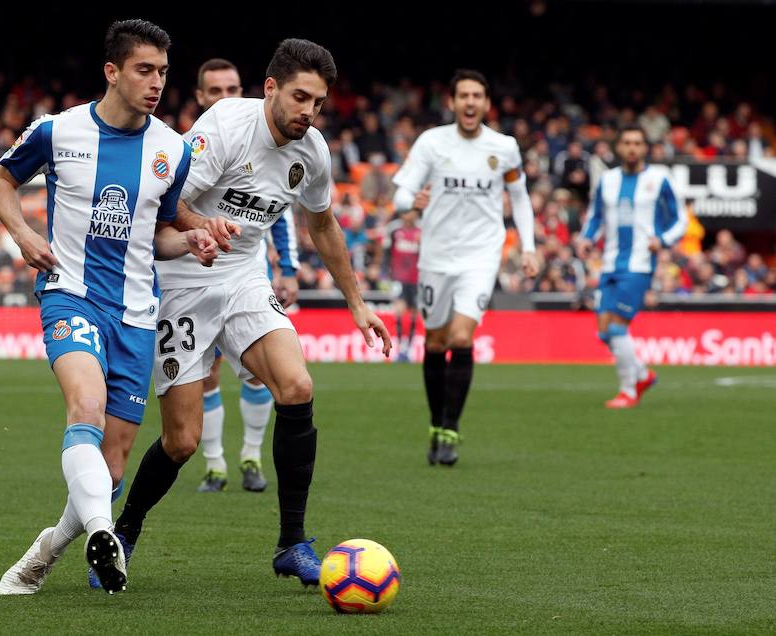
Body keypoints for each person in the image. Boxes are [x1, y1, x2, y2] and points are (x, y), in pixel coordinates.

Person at [109, 38, 391, 589]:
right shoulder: (226, 127)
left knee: (297, 386)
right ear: (271, 89)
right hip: (182, 279)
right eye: (299, 98)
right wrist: (201, 228)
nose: (308, 112)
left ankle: (291, 543)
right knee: (182, 441)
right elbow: (165, 203)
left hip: (242, 277)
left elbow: (323, 224)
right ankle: (126, 529)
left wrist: (357, 303)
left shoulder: (312, 151)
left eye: (318, 103)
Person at [0, 19, 216, 595]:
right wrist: (22, 235)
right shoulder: (57, 131)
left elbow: (157, 232)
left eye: (163, 72)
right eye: (144, 70)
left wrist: (187, 240)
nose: (156, 82)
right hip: (71, 295)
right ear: (112, 72)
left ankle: (45, 551)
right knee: (84, 407)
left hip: (139, 316)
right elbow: (0, 184)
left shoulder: (171, 149)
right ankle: (102, 533)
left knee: (112, 467)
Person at [392, 69, 538, 467]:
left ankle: (451, 429)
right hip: (436, 256)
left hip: (480, 255)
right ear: (452, 102)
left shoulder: (504, 147)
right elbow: (403, 190)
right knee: (435, 343)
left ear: (487, 103)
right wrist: (410, 204)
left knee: (460, 338)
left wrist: (528, 246)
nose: (470, 102)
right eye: (463, 96)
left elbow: (520, 199)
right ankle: (436, 424)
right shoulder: (432, 143)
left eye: (477, 96)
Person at [187, 58, 300, 495]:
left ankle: (251, 456)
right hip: (194, 274)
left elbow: (279, 211)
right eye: (214, 91)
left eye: (232, 88)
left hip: (247, 271)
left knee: (256, 374)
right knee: (207, 376)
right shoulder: (194, 144)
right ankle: (214, 465)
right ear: (200, 97)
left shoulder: (270, 144)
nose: (224, 98)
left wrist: (287, 268)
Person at [577, 124, 687, 408]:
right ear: (619, 147)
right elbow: (595, 216)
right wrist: (587, 238)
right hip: (610, 263)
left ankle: (629, 391)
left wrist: (661, 240)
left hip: (639, 265)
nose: (632, 148)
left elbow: (681, 220)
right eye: (627, 143)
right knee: (603, 332)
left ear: (645, 148)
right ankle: (641, 374)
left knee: (616, 329)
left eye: (637, 143)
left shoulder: (659, 179)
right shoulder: (608, 180)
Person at [380, 207, 421, 362]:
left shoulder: (421, 230)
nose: (408, 215)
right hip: (398, 278)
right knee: (399, 311)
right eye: (405, 211)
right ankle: (398, 347)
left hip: (416, 280)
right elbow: (385, 253)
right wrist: (384, 274)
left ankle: (407, 349)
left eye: (411, 211)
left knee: (414, 315)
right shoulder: (394, 229)